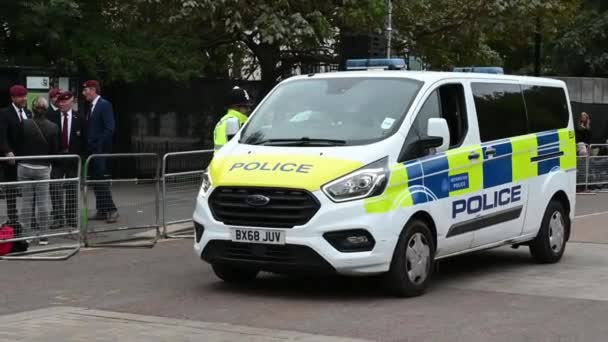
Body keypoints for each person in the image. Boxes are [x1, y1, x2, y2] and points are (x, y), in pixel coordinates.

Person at [17, 96, 59, 245]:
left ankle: (26, 235)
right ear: (46, 109)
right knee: (43, 202)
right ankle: (43, 235)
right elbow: (55, 150)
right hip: (43, 168)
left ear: (32, 109)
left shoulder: (25, 124)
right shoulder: (53, 127)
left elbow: (18, 144)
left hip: (25, 166)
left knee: (26, 202)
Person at [82, 80, 119, 223]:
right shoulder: (91, 107)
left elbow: (110, 128)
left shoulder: (104, 105)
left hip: (99, 151)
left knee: (101, 181)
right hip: (92, 152)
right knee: (96, 182)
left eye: (85, 90)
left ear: (92, 90)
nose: (84, 93)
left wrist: (98, 144)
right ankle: (102, 210)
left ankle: (112, 210)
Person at [50, 91, 85, 229]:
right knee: (55, 188)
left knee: (72, 189)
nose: (62, 104)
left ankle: (71, 217)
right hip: (57, 159)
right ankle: (58, 217)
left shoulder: (79, 118)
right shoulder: (52, 117)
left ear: (72, 102)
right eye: (60, 102)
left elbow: (84, 140)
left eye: (65, 101)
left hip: (73, 159)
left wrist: (81, 157)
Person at [0, 85, 32, 224]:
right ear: (13, 98)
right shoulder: (4, 113)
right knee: (11, 188)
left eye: (25, 95)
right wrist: (7, 151)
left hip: (27, 156)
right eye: (20, 96)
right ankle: (12, 216)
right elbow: (2, 135)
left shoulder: (28, 112)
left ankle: (31, 217)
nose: (24, 98)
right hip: (12, 158)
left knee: (30, 189)